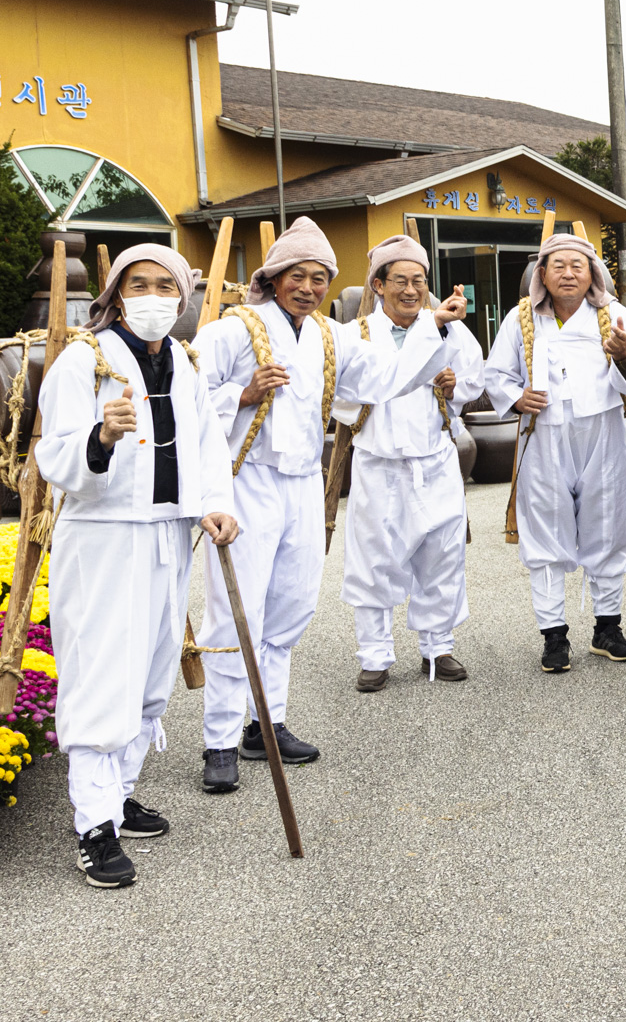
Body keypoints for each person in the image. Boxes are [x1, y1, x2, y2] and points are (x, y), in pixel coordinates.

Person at [192, 217, 456, 793]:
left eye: (320, 278)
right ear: (273, 277)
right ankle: (218, 740)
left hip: (303, 484)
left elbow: (386, 379)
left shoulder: (330, 337)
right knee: (237, 614)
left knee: (289, 607)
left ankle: (267, 724)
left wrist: (429, 327)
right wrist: (241, 394)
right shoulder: (231, 330)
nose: (308, 287)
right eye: (298, 275)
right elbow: (184, 400)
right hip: (245, 481)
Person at [36, 244, 239, 886]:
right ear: (117, 292)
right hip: (104, 536)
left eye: (165, 286)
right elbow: (53, 454)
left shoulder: (184, 360)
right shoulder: (83, 360)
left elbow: (207, 444)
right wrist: (100, 436)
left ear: (181, 297)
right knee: (103, 674)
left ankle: (118, 793)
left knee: (152, 673)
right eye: (139, 284)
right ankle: (93, 828)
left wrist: (216, 504)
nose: (153, 296)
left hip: (168, 535)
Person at [486, 232, 626, 672]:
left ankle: (607, 627)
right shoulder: (520, 318)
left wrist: (623, 355)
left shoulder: (613, 315)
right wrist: (517, 397)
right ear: (541, 274)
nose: (568, 273)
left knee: (607, 525)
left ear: (592, 274)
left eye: (577, 266)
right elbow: (495, 373)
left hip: (602, 432)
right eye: (558, 266)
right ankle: (553, 635)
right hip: (542, 436)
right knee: (544, 530)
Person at [334, 235, 484, 691]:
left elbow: (474, 383)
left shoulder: (451, 330)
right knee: (374, 559)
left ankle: (438, 647)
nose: (410, 290)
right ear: (377, 286)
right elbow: (337, 396)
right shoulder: (354, 334)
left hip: (434, 461)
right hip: (378, 463)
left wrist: (453, 385)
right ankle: (375, 654)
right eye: (399, 280)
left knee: (441, 555)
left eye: (418, 280)